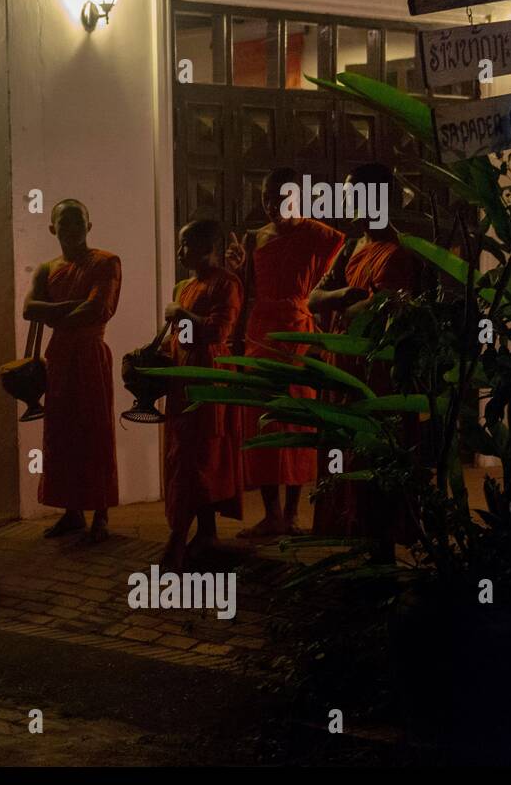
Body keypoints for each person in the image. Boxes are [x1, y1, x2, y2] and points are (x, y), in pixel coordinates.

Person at [225, 167, 344, 538]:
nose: (273, 204)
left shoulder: (317, 233)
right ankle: (271, 513)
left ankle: (292, 513)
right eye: (266, 196)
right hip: (260, 331)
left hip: (296, 329)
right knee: (260, 418)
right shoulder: (254, 238)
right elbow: (245, 291)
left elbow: (332, 278)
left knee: (296, 419)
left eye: (281, 196)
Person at [307, 163, 421, 548]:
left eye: (356, 193)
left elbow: (379, 311)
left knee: (373, 460)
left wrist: (348, 305)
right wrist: (342, 298)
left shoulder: (399, 253)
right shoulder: (352, 248)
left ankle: (379, 549)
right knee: (343, 455)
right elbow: (314, 299)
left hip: (376, 374)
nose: (349, 201)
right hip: (342, 365)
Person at [23, 198, 122, 543]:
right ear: (53, 228)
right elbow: (28, 309)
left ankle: (101, 513)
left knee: (95, 431)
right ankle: (71, 511)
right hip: (60, 358)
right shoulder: (47, 269)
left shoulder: (106, 262)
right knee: (61, 434)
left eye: (78, 222)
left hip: (90, 353)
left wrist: (53, 312)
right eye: (64, 223)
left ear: (89, 226)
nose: (71, 229)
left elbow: (97, 308)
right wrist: (66, 309)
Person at [160, 219, 245, 571]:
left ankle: (178, 539)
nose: (180, 253)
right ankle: (206, 532)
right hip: (183, 374)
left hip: (209, 374)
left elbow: (217, 330)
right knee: (184, 454)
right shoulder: (186, 286)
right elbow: (175, 336)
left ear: (207, 247)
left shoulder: (228, 283)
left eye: (186, 246)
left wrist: (181, 314)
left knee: (200, 456)